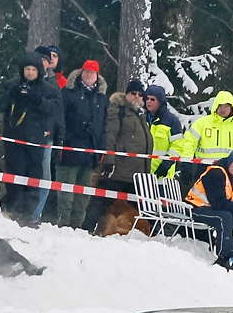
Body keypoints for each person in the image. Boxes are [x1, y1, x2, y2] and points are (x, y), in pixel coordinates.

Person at [82, 79, 151, 233]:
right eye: (133, 93)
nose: (136, 97)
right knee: (101, 201)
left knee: (138, 208)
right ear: (126, 94)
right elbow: (109, 136)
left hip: (136, 173)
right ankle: (85, 229)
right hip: (118, 169)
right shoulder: (117, 110)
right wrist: (108, 161)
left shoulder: (139, 115)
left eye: (140, 94)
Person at [0, 52, 59, 223]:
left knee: (34, 177)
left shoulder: (48, 89)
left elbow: (55, 109)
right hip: (13, 139)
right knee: (14, 176)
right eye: (27, 69)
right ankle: (13, 210)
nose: (30, 73)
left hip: (36, 140)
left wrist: (37, 100)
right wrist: (12, 96)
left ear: (39, 71)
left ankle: (29, 215)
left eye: (33, 69)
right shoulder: (11, 85)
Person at [54, 59, 108, 228]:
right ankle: (63, 222)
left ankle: (77, 224)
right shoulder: (68, 93)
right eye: (86, 72)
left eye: (92, 73)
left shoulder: (102, 98)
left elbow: (104, 125)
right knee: (66, 189)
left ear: (97, 76)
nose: (88, 75)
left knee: (84, 192)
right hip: (70, 149)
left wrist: (101, 149)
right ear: (80, 73)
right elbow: (60, 119)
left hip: (91, 152)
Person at [187, 148, 233, 271]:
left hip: (213, 210)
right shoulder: (216, 172)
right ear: (229, 161)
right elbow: (218, 202)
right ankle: (224, 256)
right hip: (196, 209)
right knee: (224, 217)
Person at [26, 45, 65, 223]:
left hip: (47, 136)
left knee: (45, 178)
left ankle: (35, 215)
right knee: (23, 174)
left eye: (46, 60)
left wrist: (60, 138)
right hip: (26, 134)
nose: (44, 63)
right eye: (40, 59)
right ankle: (21, 211)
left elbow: (58, 113)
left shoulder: (53, 83)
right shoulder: (25, 79)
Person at [172, 89, 233, 171]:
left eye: (226, 106)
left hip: (228, 170)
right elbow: (189, 142)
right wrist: (186, 163)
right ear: (215, 106)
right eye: (220, 106)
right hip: (204, 168)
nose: (222, 109)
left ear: (232, 108)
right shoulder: (202, 123)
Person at [143, 84, 182, 179]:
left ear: (160, 102)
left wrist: (167, 164)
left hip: (163, 177)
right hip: (143, 176)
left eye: (152, 99)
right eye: (147, 98)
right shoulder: (142, 119)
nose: (148, 102)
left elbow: (178, 146)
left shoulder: (172, 121)